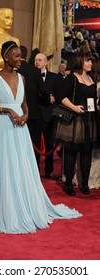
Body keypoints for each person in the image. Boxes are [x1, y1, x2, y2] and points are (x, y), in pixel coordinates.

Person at [0, 41, 81, 234]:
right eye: (16, 56)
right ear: (6, 57)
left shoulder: (22, 78)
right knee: (3, 164)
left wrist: (26, 115)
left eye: (20, 56)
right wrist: (7, 111)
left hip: (20, 126)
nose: (20, 59)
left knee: (20, 164)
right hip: (1, 125)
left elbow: (24, 104)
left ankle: (22, 202)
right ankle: (3, 207)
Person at [54, 52, 98, 196]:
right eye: (88, 61)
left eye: (91, 61)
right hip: (75, 120)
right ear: (80, 62)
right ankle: (68, 184)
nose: (91, 63)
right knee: (71, 152)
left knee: (87, 152)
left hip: (89, 119)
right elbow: (60, 96)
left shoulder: (91, 78)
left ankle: (84, 184)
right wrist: (74, 107)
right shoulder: (72, 77)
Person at [17, 45, 47, 169]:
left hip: (16, 113)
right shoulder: (35, 71)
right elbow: (44, 91)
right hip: (34, 113)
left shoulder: (13, 71)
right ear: (27, 56)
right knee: (34, 142)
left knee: (18, 144)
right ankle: (34, 169)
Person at [34, 53, 61, 179]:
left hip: (49, 116)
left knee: (50, 144)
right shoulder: (31, 76)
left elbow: (59, 95)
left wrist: (54, 99)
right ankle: (35, 170)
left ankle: (49, 170)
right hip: (35, 115)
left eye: (39, 60)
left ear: (45, 63)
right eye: (35, 60)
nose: (37, 62)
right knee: (35, 145)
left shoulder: (54, 77)